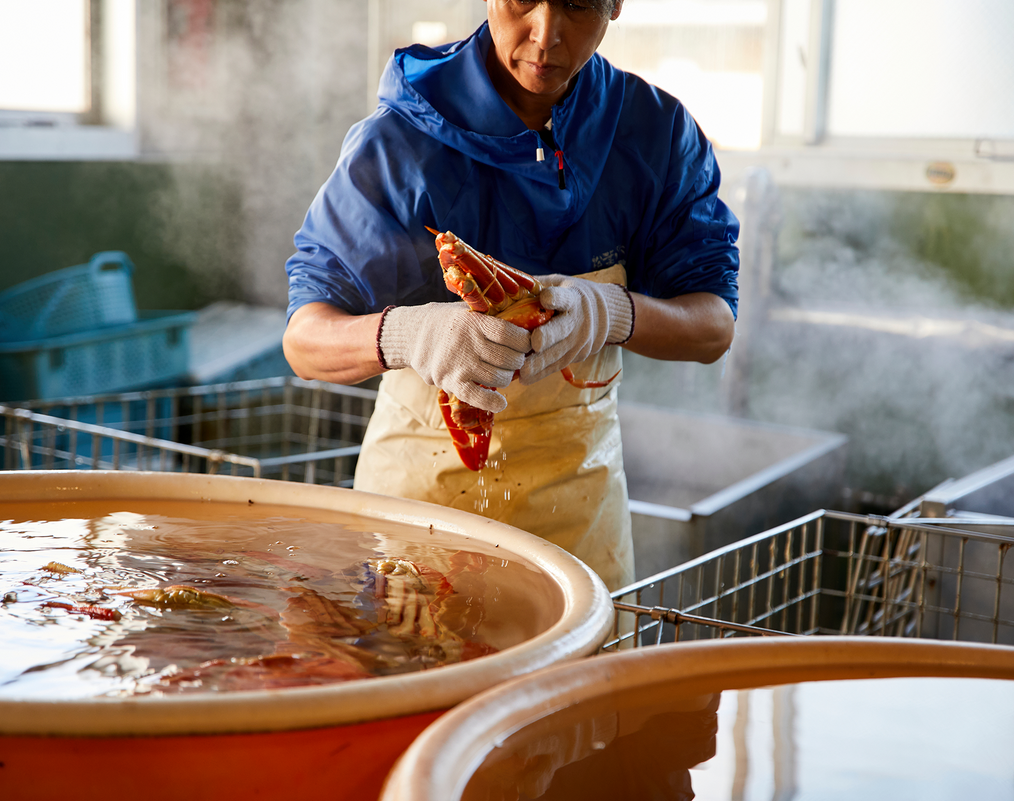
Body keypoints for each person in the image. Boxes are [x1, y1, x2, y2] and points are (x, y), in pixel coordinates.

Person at [283, 0, 739, 591]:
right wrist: (404, 334)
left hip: (578, 528)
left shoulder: (653, 136)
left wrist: (612, 313)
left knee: (574, 679)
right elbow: (304, 339)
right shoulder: (402, 141)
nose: (545, 34)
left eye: (577, 4)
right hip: (416, 524)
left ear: (616, 5)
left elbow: (714, 325)